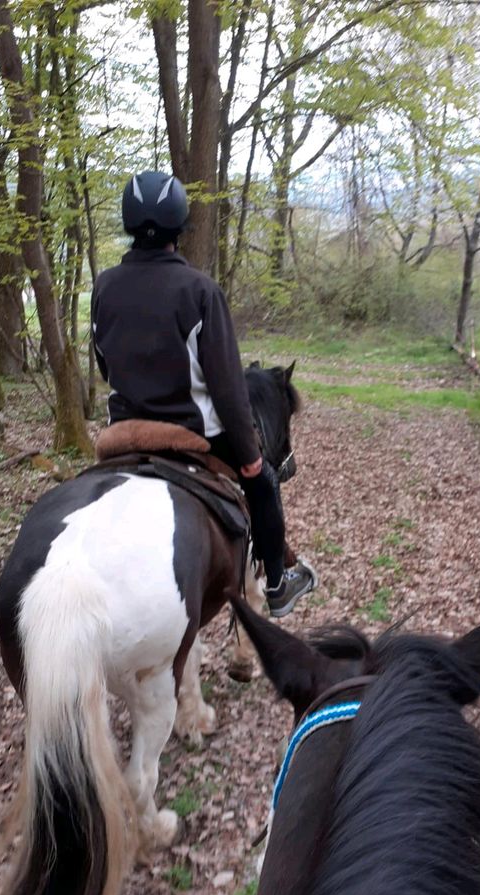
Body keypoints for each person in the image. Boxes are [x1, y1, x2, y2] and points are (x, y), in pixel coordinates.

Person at [91, 170, 315, 617]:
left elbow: (103, 363)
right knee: (265, 483)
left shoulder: (104, 287)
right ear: (179, 228)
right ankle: (277, 583)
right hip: (196, 434)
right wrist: (251, 456)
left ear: (130, 226)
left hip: (124, 431)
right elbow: (228, 385)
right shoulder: (200, 291)